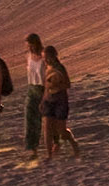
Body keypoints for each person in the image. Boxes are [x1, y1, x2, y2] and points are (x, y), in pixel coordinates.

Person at [40, 44, 79, 159]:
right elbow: (46, 87)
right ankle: (49, 155)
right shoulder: (47, 68)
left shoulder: (60, 68)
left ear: (54, 56)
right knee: (47, 127)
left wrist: (57, 85)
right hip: (48, 101)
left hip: (60, 101)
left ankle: (73, 143)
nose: (46, 60)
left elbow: (67, 84)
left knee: (61, 130)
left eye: (47, 57)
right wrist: (43, 100)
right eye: (44, 57)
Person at [23, 33, 45, 163]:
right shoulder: (29, 57)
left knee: (47, 120)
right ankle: (33, 150)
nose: (30, 48)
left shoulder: (44, 56)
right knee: (30, 119)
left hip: (43, 89)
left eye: (32, 45)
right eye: (28, 46)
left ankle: (55, 143)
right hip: (32, 89)